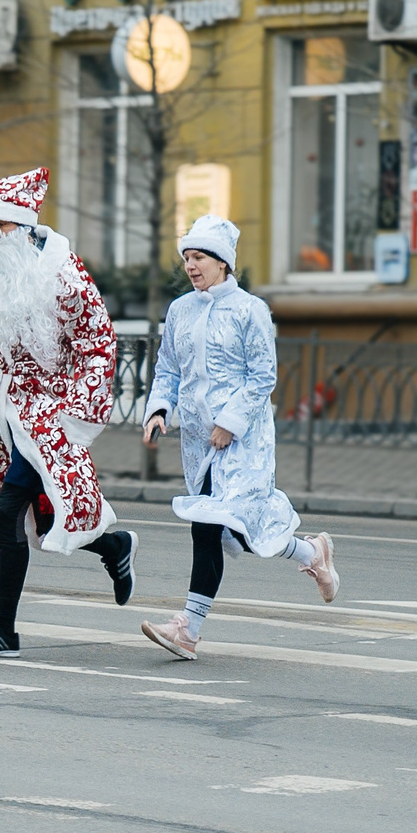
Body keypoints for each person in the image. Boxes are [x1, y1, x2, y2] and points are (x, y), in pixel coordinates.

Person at [0, 167, 137, 659]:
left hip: (52, 416)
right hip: (8, 412)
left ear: (25, 226)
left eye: (1, 226)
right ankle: (114, 549)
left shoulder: (65, 276)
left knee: (8, 511)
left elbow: (98, 343)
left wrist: (78, 408)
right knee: (43, 518)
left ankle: (3, 630)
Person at [137, 215, 338, 660]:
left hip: (242, 439)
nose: (192, 266)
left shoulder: (250, 310)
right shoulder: (180, 311)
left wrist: (231, 422)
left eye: (201, 257)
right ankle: (310, 552)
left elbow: (263, 375)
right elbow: (168, 368)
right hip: (198, 440)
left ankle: (187, 628)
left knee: (209, 526)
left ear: (224, 263)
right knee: (235, 530)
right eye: (187, 257)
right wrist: (158, 408)